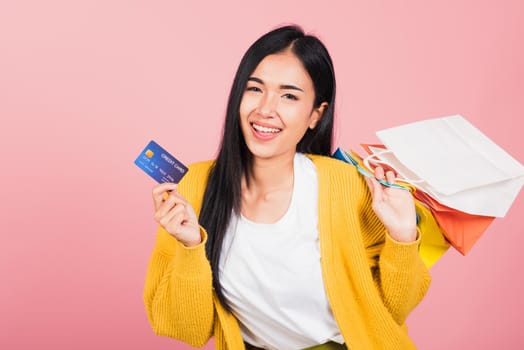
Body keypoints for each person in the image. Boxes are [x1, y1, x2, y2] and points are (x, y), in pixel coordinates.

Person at [143, 24, 431, 350]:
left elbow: (395, 309)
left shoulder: (347, 187)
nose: (266, 109)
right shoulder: (193, 186)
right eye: (254, 89)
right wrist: (190, 247)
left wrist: (403, 237)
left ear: (315, 115)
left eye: (289, 95)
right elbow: (185, 329)